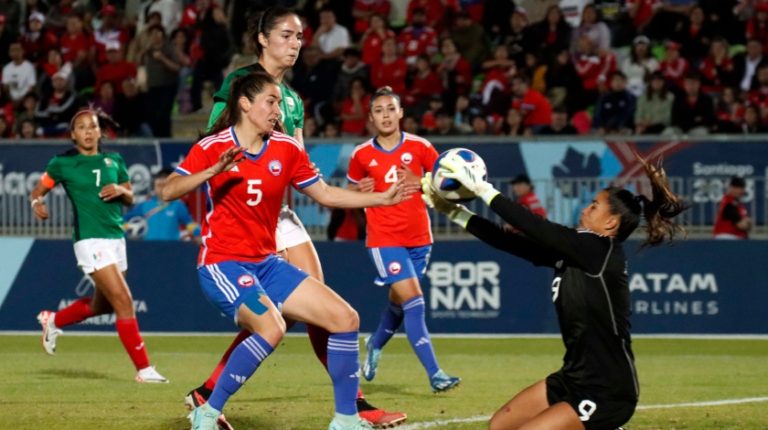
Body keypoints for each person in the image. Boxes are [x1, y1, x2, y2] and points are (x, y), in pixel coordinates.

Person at [191, 7, 407, 428]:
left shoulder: (292, 101)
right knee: (294, 312)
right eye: (287, 35)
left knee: (312, 305)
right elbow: (215, 139)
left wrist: (354, 193)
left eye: (300, 37)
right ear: (262, 39)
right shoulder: (240, 82)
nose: (296, 43)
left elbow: (303, 165)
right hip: (246, 208)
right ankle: (351, 406)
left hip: (279, 211)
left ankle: (347, 407)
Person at [422, 153, 687, 430]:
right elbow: (509, 241)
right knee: (500, 426)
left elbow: (537, 227)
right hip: (572, 377)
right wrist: (453, 212)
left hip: (607, 389)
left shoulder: (599, 250)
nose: (586, 209)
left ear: (611, 223)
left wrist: (484, 191)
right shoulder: (576, 252)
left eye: (594, 206)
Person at [29, 109, 168, 384]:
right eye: (81, 127)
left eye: (92, 126)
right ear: (73, 135)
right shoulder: (62, 163)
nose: (88, 131)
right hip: (89, 240)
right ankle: (144, 369)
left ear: (100, 131)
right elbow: (38, 190)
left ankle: (53, 321)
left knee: (101, 306)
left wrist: (121, 190)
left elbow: (130, 197)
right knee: (124, 301)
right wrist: (37, 203)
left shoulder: (114, 160)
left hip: (116, 239)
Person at [348, 86, 461, 393]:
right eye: (379, 110)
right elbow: (352, 193)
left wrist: (422, 182)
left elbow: (445, 188)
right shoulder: (360, 155)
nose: (385, 115)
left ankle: (375, 343)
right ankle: (435, 373)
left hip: (420, 239)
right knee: (414, 302)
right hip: (384, 239)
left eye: (390, 109)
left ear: (400, 113)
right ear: (371, 117)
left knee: (399, 305)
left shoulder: (422, 147)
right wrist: (360, 193)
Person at [123, 167, 200, 241]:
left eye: (164, 185)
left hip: (172, 249)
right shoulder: (144, 205)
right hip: (148, 249)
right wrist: (125, 229)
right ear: (154, 186)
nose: (161, 189)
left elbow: (188, 223)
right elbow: (124, 221)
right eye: (158, 185)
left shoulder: (178, 206)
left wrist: (198, 232)